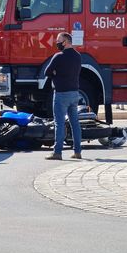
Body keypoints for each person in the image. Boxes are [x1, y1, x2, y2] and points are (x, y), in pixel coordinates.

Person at [44, 32, 82, 160]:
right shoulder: (78, 56)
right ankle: (77, 152)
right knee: (75, 123)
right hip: (75, 93)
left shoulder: (58, 56)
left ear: (65, 42)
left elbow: (47, 72)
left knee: (59, 123)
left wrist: (56, 72)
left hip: (61, 94)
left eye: (59, 40)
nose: (57, 43)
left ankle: (57, 152)